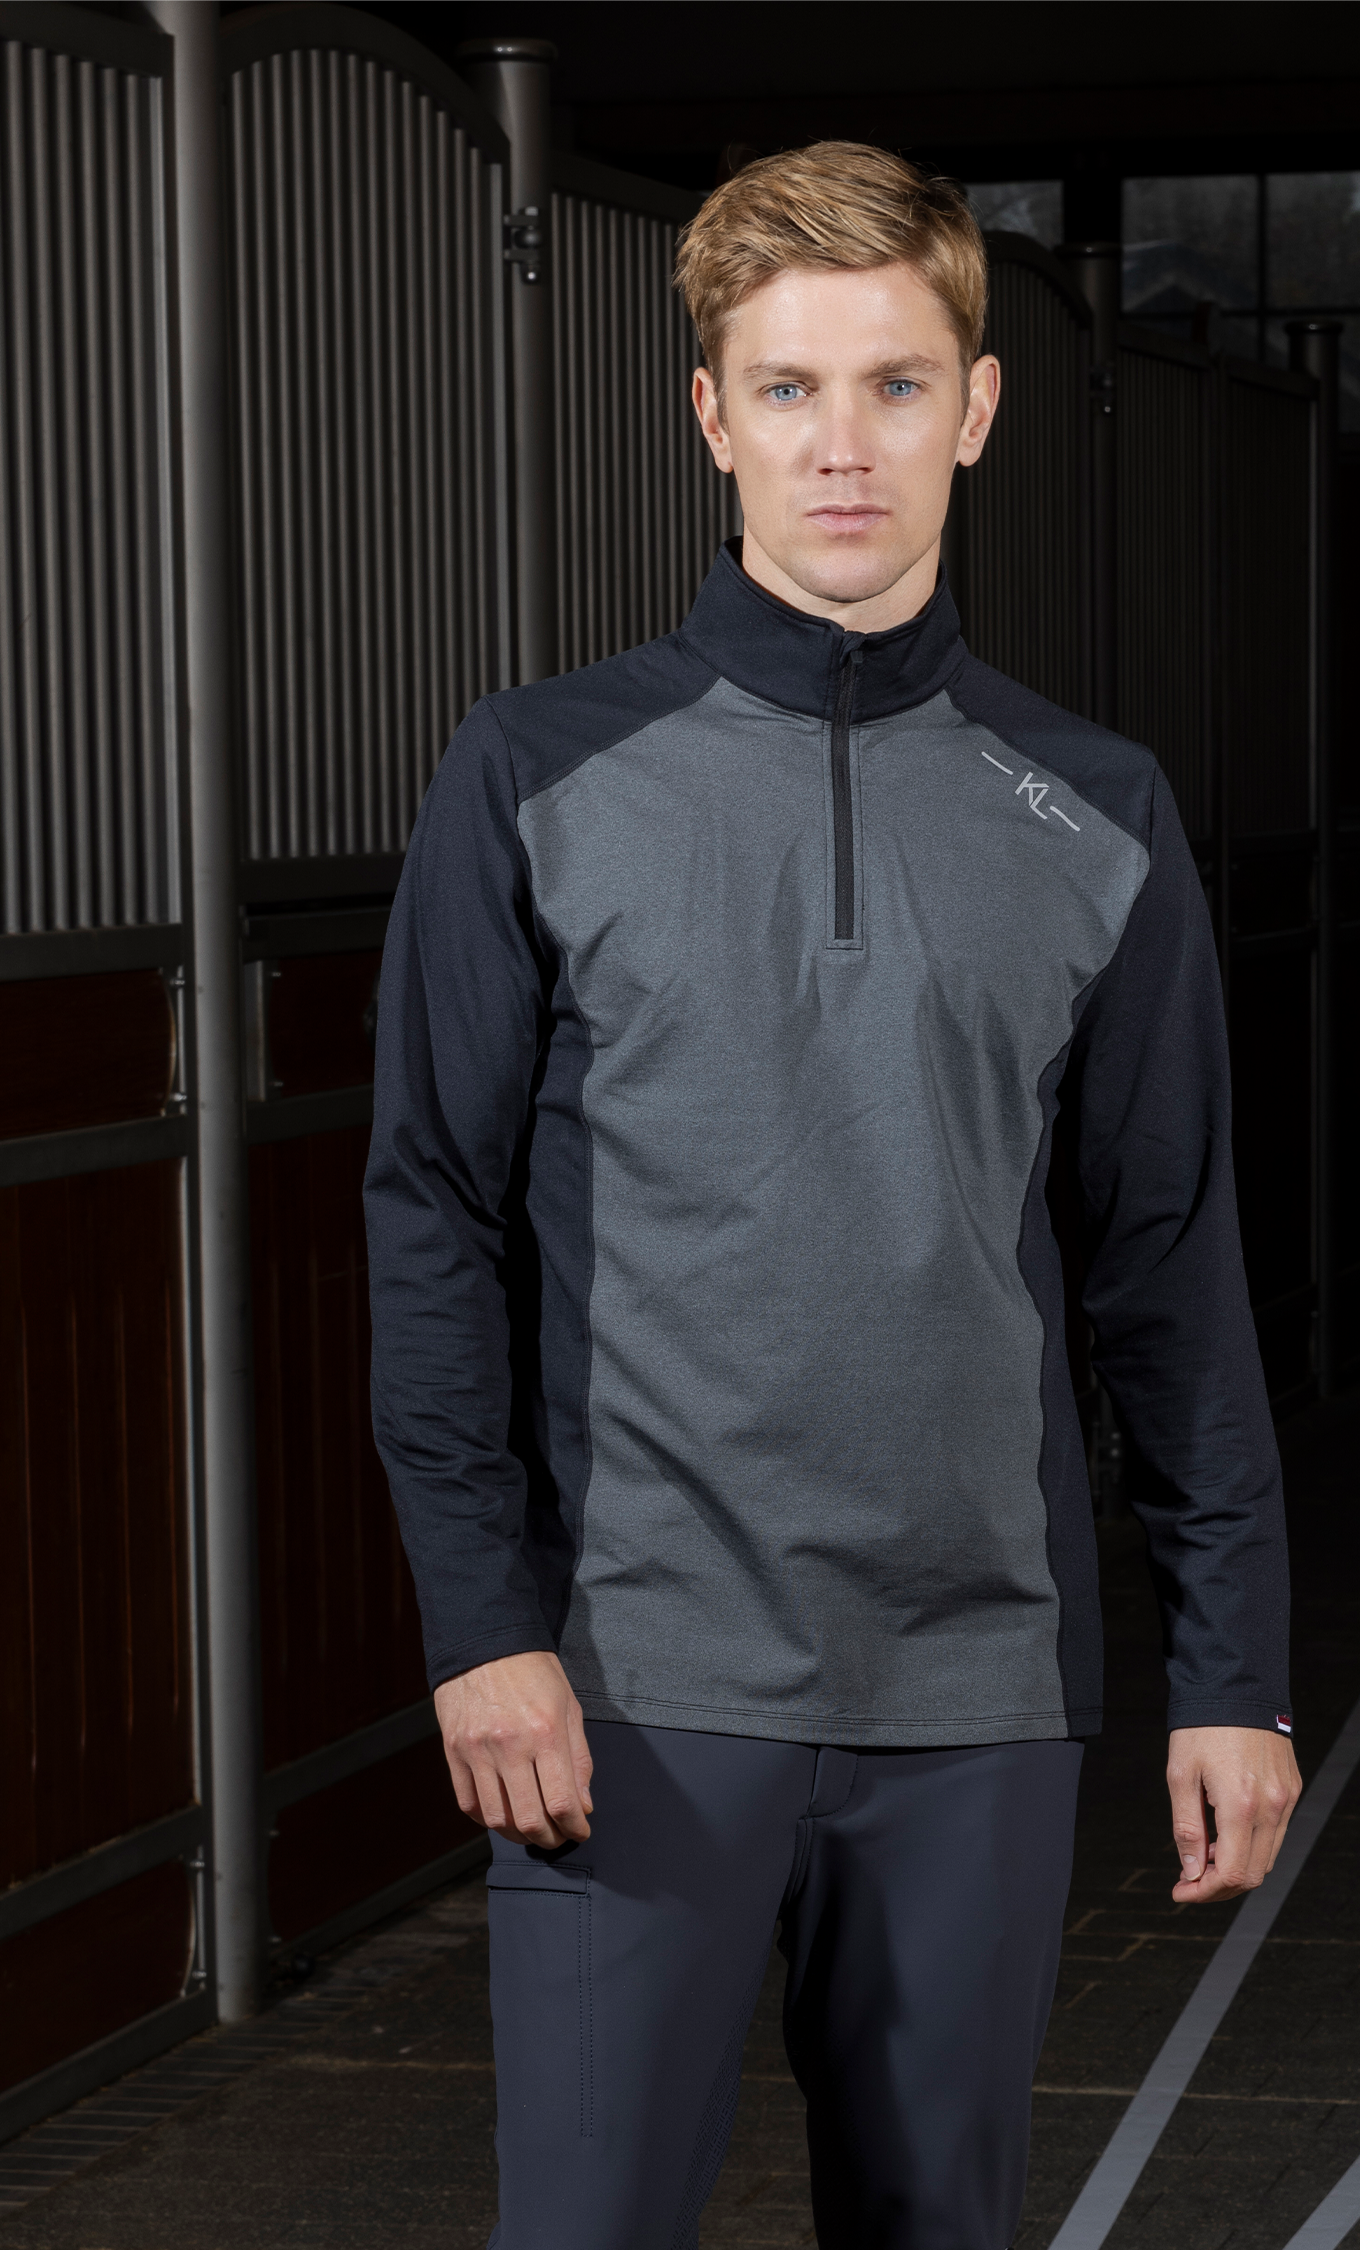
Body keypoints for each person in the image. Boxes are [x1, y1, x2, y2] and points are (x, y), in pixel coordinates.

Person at [364, 140, 1301, 2250]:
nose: (843, 444)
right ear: (713, 417)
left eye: (895, 383)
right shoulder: (534, 773)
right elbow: (431, 1216)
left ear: (978, 408)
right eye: (789, 388)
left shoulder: (1099, 815)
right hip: (635, 1679)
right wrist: (484, 1629)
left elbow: (1169, 1267)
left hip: (977, 1693)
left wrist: (1232, 1668)